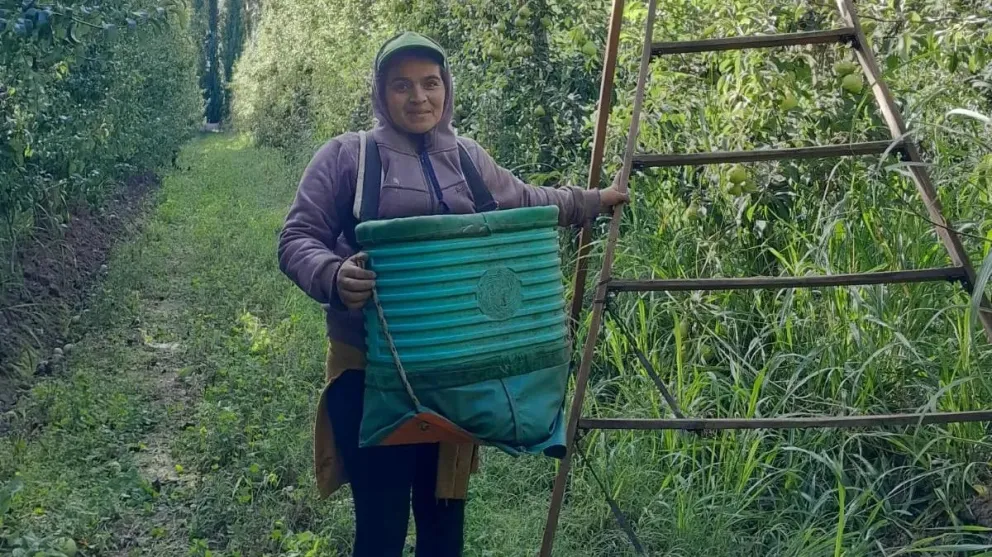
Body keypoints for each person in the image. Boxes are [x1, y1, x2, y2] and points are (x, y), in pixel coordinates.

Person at [277, 31, 627, 557]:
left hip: (458, 376)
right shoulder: (348, 157)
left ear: (447, 88)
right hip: (370, 375)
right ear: (380, 93)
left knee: (444, 526)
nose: (419, 97)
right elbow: (296, 237)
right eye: (402, 85)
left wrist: (595, 200)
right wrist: (333, 274)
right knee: (380, 528)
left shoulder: (466, 158)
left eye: (430, 83)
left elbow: (527, 202)